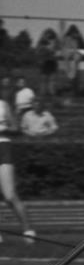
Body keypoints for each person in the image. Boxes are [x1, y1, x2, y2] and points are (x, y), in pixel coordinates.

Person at [0, 95, 37, 243]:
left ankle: (28, 230)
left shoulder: (3, 104)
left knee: (9, 194)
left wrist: (3, 127)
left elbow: (16, 127)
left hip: (3, 146)